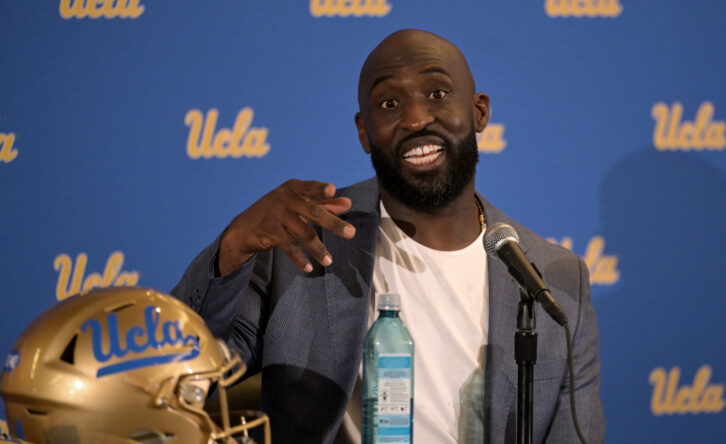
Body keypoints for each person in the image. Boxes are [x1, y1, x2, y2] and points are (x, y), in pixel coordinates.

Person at [172, 29, 604, 443]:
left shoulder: (555, 280)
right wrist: (232, 249)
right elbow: (185, 379)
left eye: (437, 94)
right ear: (364, 132)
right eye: (389, 103)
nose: (415, 119)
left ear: (479, 112)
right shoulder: (299, 240)